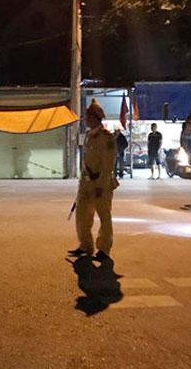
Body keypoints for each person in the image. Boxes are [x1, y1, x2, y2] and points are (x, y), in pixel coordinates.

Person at [68, 99, 118, 261]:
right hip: (86, 183)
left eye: (88, 116)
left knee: (104, 217)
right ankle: (85, 245)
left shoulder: (106, 137)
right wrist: (82, 183)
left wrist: (100, 185)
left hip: (101, 184)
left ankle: (104, 249)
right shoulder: (89, 135)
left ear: (96, 118)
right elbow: (86, 162)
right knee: (82, 215)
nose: (86, 120)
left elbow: (108, 164)